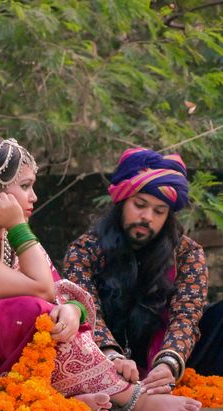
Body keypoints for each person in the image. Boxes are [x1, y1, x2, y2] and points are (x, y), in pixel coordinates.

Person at [0, 138, 201, 411]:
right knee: (20, 313)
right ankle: (135, 401)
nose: (34, 197)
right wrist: (19, 226)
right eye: (26, 186)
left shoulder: (6, 242)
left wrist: (72, 311)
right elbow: (41, 291)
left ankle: (58, 398)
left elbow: (59, 293)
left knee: (52, 317)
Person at [64, 147, 223, 397]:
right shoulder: (84, 249)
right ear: (122, 201)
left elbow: (187, 315)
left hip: (173, 363)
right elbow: (84, 309)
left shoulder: (187, 253)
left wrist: (169, 363)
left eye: (159, 211)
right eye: (139, 205)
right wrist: (111, 356)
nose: (147, 217)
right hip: (101, 359)